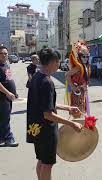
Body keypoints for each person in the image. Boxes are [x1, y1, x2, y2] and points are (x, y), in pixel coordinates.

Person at [26, 48, 83, 180]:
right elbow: (48, 114)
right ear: (52, 62)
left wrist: (68, 108)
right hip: (46, 130)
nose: (59, 65)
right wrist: (72, 123)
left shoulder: (36, 77)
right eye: (58, 62)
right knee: (47, 164)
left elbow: (44, 104)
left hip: (36, 128)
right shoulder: (47, 82)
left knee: (41, 160)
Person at [65, 42, 91, 117]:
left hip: (83, 91)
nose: (85, 58)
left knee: (82, 110)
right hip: (77, 92)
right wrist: (73, 86)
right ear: (79, 56)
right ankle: (76, 126)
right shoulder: (78, 67)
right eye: (83, 56)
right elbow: (67, 75)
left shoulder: (86, 66)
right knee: (77, 111)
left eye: (87, 56)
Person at [0, 45, 19, 147]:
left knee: (3, 118)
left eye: (5, 53)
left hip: (8, 97)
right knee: (5, 118)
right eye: (1, 53)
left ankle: (1, 138)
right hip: (2, 97)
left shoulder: (6, 65)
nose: (4, 55)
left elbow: (9, 79)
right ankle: (8, 138)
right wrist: (8, 93)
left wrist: (14, 92)